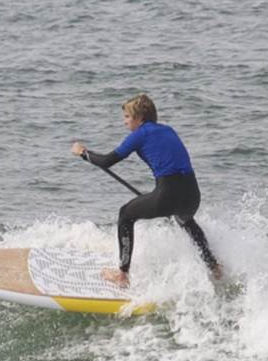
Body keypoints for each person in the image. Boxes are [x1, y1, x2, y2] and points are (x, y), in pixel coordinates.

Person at [69, 94, 222, 287]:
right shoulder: (168, 130)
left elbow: (107, 161)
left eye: (127, 117)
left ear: (140, 118)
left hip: (168, 193)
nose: (125, 122)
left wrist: (83, 153)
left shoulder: (139, 135)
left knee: (125, 214)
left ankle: (122, 275)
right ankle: (214, 266)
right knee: (185, 219)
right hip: (192, 194)